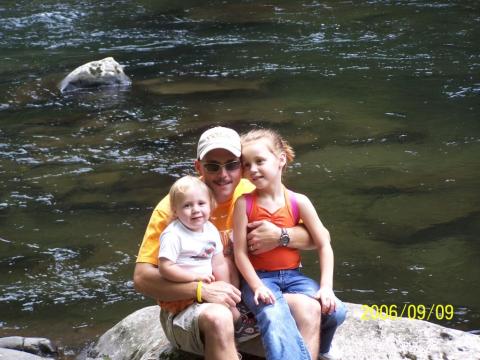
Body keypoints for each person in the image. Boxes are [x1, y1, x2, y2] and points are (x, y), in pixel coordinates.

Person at [133, 126, 344, 360]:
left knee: (311, 308)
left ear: (241, 166)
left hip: (248, 302)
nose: (224, 175)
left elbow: (319, 237)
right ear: (199, 167)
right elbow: (142, 279)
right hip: (192, 311)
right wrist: (201, 290)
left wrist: (280, 236)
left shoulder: (253, 190)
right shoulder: (179, 205)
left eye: (232, 164)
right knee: (219, 318)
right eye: (213, 166)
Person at [233, 129, 345, 360]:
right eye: (246, 164)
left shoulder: (298, 201)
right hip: (261, 278)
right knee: (273, 313)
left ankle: (318, 352)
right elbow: (240, 253)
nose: (252, 169)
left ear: (281, 159)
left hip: (294, 276)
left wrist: (326, 287)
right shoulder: (244, 204)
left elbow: (324, 243)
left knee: (335, 311)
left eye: (260, 161)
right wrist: (256, 287)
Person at [158, 175, 242, 339]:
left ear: (211, 205)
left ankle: (232, 325)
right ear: (175, 210)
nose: (195, 209)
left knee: (228, 265)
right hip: (182, 294)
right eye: (187, 206)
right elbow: (165, 268)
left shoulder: (210, 229)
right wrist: (194, 278)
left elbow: (218, 264)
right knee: (223, 317)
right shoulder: (173, 234)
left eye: (201, 203)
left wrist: (224, 289)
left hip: (207, 285)